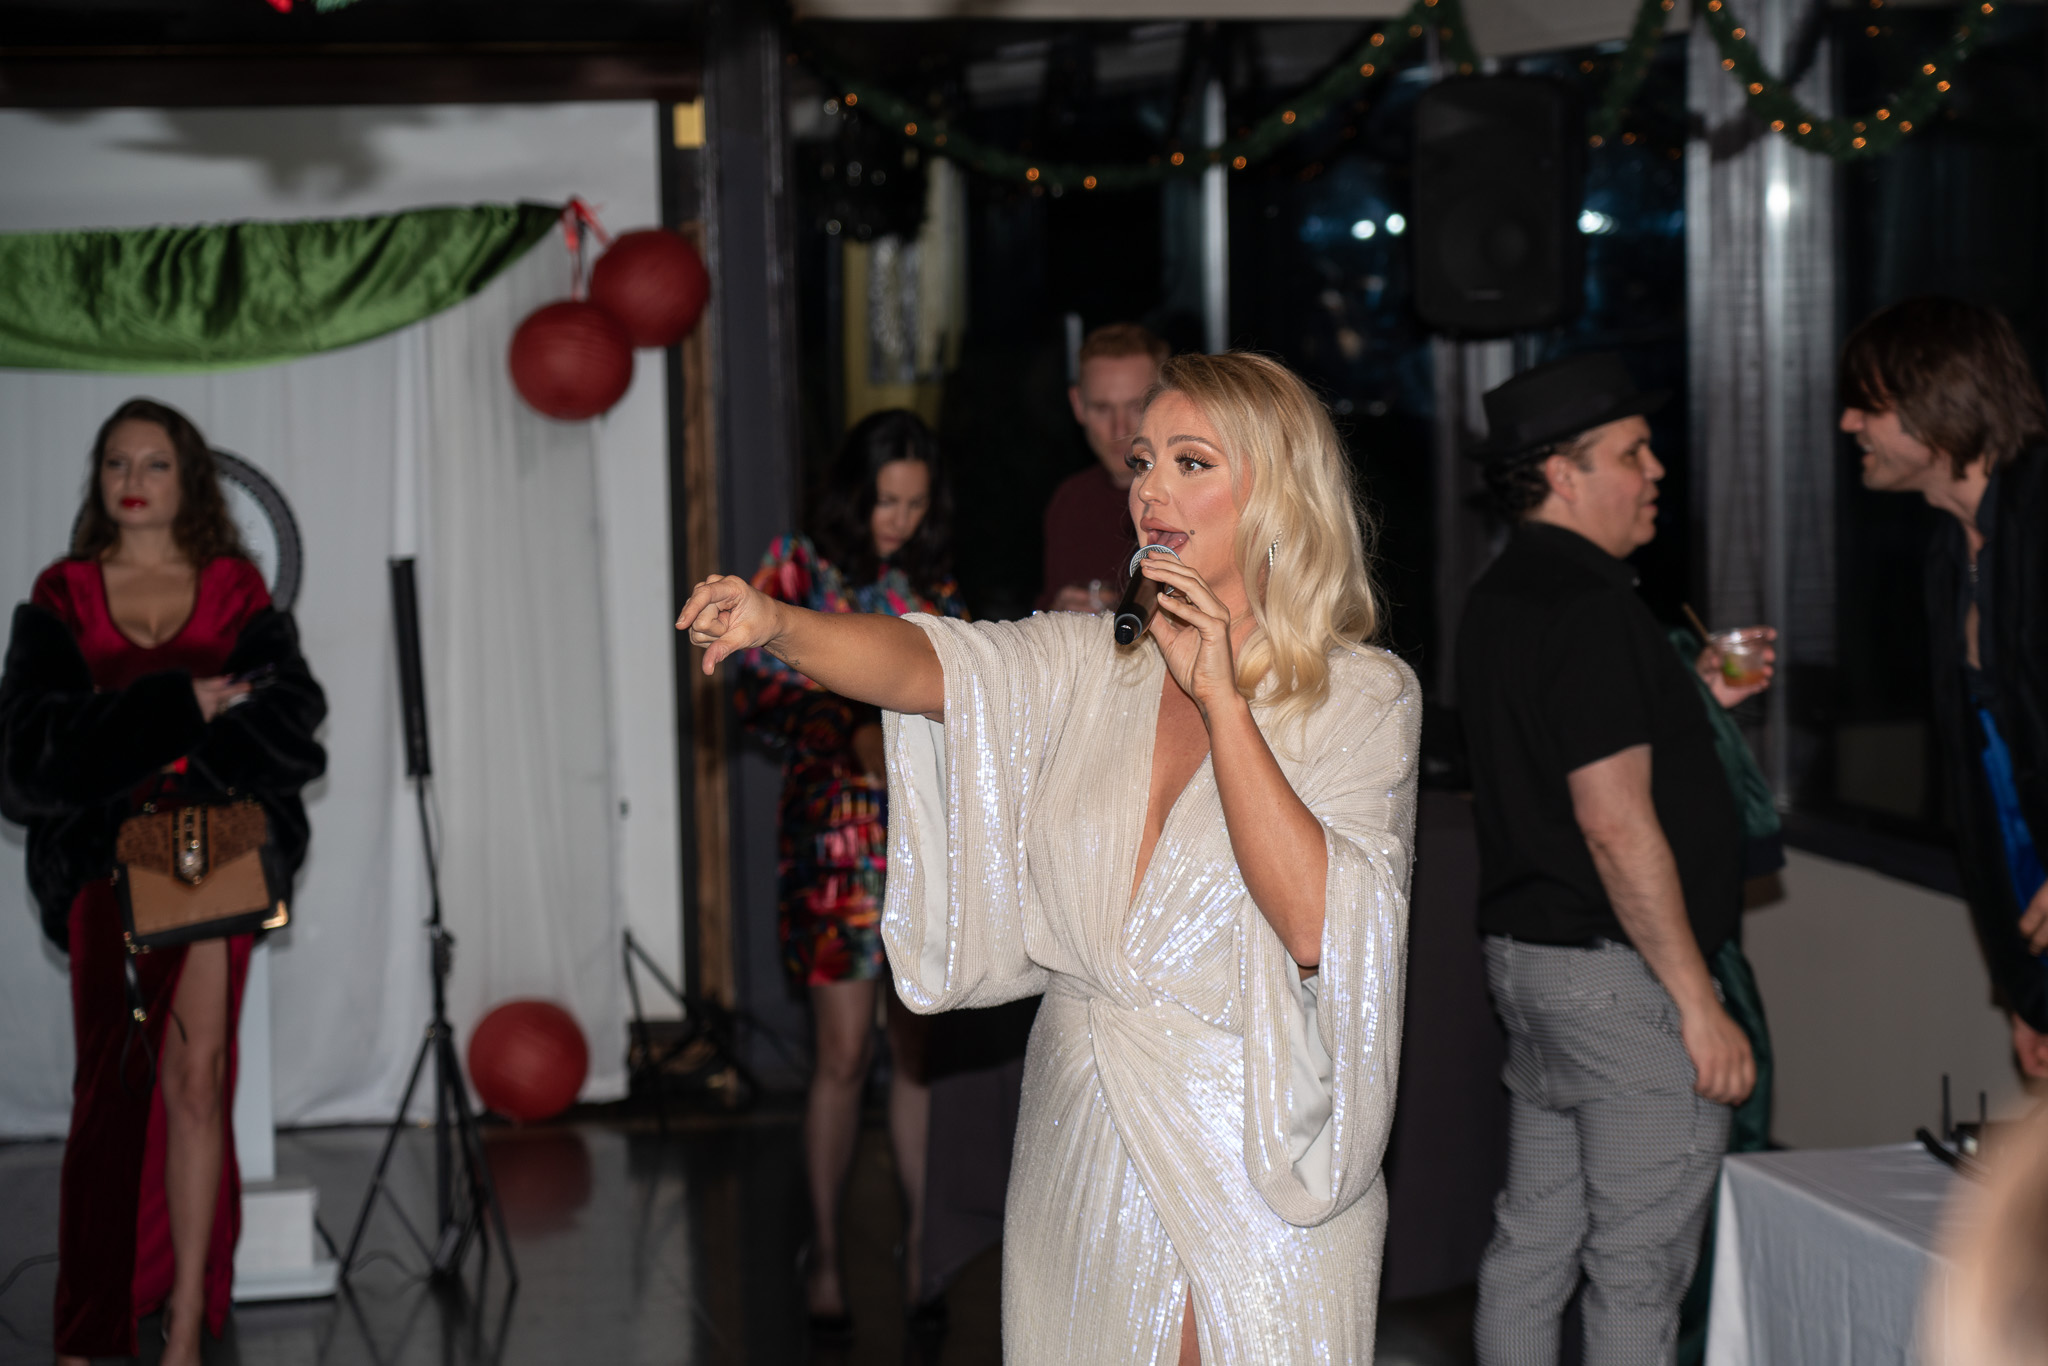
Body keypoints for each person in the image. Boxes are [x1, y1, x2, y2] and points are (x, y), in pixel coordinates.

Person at [683, 352, 1419, 1364]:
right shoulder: (1093, 663)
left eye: (1189, 462)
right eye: (1142, 460)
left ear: (1276, 493)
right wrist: (779, 624)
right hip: (1084, 1129)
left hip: (1263, 1148)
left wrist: (1222, 703)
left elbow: (1316, 925)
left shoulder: (1361, 697)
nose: (1149, 489)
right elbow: (928, 664)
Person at [0, 398, 326, 1366]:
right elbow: (25, 755)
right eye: (113, 462)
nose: (132, 479)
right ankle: (89, 1337)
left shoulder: (232, 589)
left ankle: (184, 1324)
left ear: (190, 481)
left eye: (154, 462)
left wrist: (160, 738)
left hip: (199, 845)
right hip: (107, 848)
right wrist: (174, 708)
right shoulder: (59, 594)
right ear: (97, 482)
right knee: (111, 1088)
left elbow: (289, 720)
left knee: (195, 1082)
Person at [1456, 353, 1767, 1364]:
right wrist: (1696, 1001)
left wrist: (1695, 704)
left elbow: (1561, 755)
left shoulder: (1503, 592)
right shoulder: (1588, 608)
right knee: (1636, 1276)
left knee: (1531, 1245)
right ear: (1560, 471)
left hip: (1530, 966)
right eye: (1630, 452)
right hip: (1618, 987)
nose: (1655, 470)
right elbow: (1611, 822)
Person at [731, 409, 967, 1337]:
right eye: (884, 501)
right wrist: (849, 723)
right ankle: (825, 1251)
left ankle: (923, 1251)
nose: (897, 520)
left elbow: (963, 690)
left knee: (917, 1057)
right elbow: (752, 685)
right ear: (852, 493)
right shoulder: (795, 564)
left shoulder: (933, 576)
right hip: (832, 837)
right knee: (840, 1056)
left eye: (913, 503)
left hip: (918, 837)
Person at [1838, 297, 2048, 1079]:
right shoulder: (1943, 554)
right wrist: (2027, 994)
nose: (1848, 423)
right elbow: (1982, 789)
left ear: (1939, 404)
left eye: (1868, 403)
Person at [1038, 322, 1169, 611]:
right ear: (1077, 405)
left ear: (1166, 402)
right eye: (1102, 408)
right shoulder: (1070, 501)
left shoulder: (1200, 500)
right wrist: (1054, 616)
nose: (1119, 428)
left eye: (1136, 406)